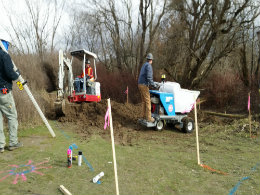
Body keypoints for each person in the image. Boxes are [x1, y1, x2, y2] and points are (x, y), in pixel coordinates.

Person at [0, 37, 23, 153]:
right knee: (11, 116)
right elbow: (10, 73)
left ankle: (0, 145)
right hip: (4, 92)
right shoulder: (4, 55)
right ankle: (13, 142)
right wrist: (17, 75)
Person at [138, 53, 156, 123]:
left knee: (144, 101)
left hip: (140, 84)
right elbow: (149, 77)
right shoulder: (149, 66)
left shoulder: (144, 65)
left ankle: (142, 116)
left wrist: (151, 83)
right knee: (148, 101)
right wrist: (153, 85)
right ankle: (149, 118)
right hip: (144, 85)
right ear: (151, 60)